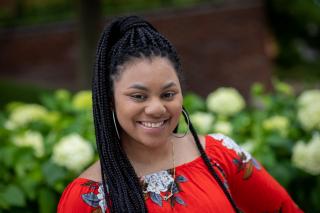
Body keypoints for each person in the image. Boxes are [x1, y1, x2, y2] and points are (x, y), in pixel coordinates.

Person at [57, 15, 303, 213]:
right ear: (110, 101)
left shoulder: (220, 155)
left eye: (168, 94)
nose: (156, 109)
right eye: (138, 96)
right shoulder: (86, 198)